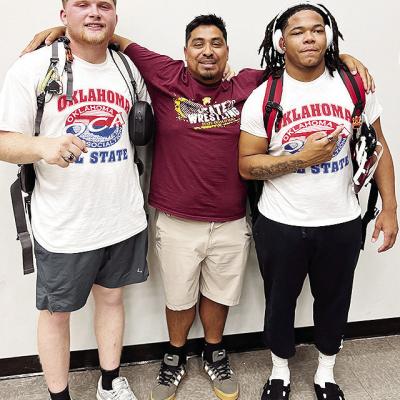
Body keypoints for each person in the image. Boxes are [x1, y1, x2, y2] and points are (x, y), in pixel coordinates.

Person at [23, 13, 374, 400]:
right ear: (186, 51)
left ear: (227, 51)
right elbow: (114, 41)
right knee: (178, 297)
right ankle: (174, 354)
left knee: (220, 295)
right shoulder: (165, 75)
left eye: (216, 44)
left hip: (231, 217)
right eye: (198, 44)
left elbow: (302, 62)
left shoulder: (250, 83)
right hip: (176, 218)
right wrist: (63, 33)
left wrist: (346, 60)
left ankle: (213, 350)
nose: (207, 51)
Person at [239, 3, 398, 400]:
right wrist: (300, 159)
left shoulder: (353, 85)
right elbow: (246, 165)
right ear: (281, 42)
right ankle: (280, 372)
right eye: (298, 31)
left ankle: (326, 372)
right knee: (280, 302)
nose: (309, 37)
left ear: (328, 36)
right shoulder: (265, 96)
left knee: (334, 299)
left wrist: (390, 208)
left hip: (342, 219)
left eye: (317, 29)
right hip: (280, 222)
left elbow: (379, 147)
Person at [0, 1, 151, 400]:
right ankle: (59, 396)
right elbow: (3, 141)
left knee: (113, 300)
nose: (94, 13)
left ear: (115, 16)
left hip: (122, 215)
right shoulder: (32, 68)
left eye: (104, 5)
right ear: (63, 14)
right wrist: (43, 146)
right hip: (64, 223)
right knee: (55, 315)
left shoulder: (126, 68)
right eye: (82, 4)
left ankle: (109, 382)